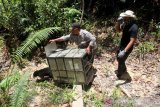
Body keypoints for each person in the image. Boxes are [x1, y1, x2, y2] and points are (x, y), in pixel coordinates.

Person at [115, 10, 138, 79]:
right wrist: (118, 23)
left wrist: (124, 51)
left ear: (129, 17)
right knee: (118, 58)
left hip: (128, 47)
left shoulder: (134, 27)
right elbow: (118, 30)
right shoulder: (125, 23)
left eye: (125, 17)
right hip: (122, 44)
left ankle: (119, 75)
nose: (124, 18)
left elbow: (132, 41)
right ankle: (124, 69)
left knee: (121, 59)